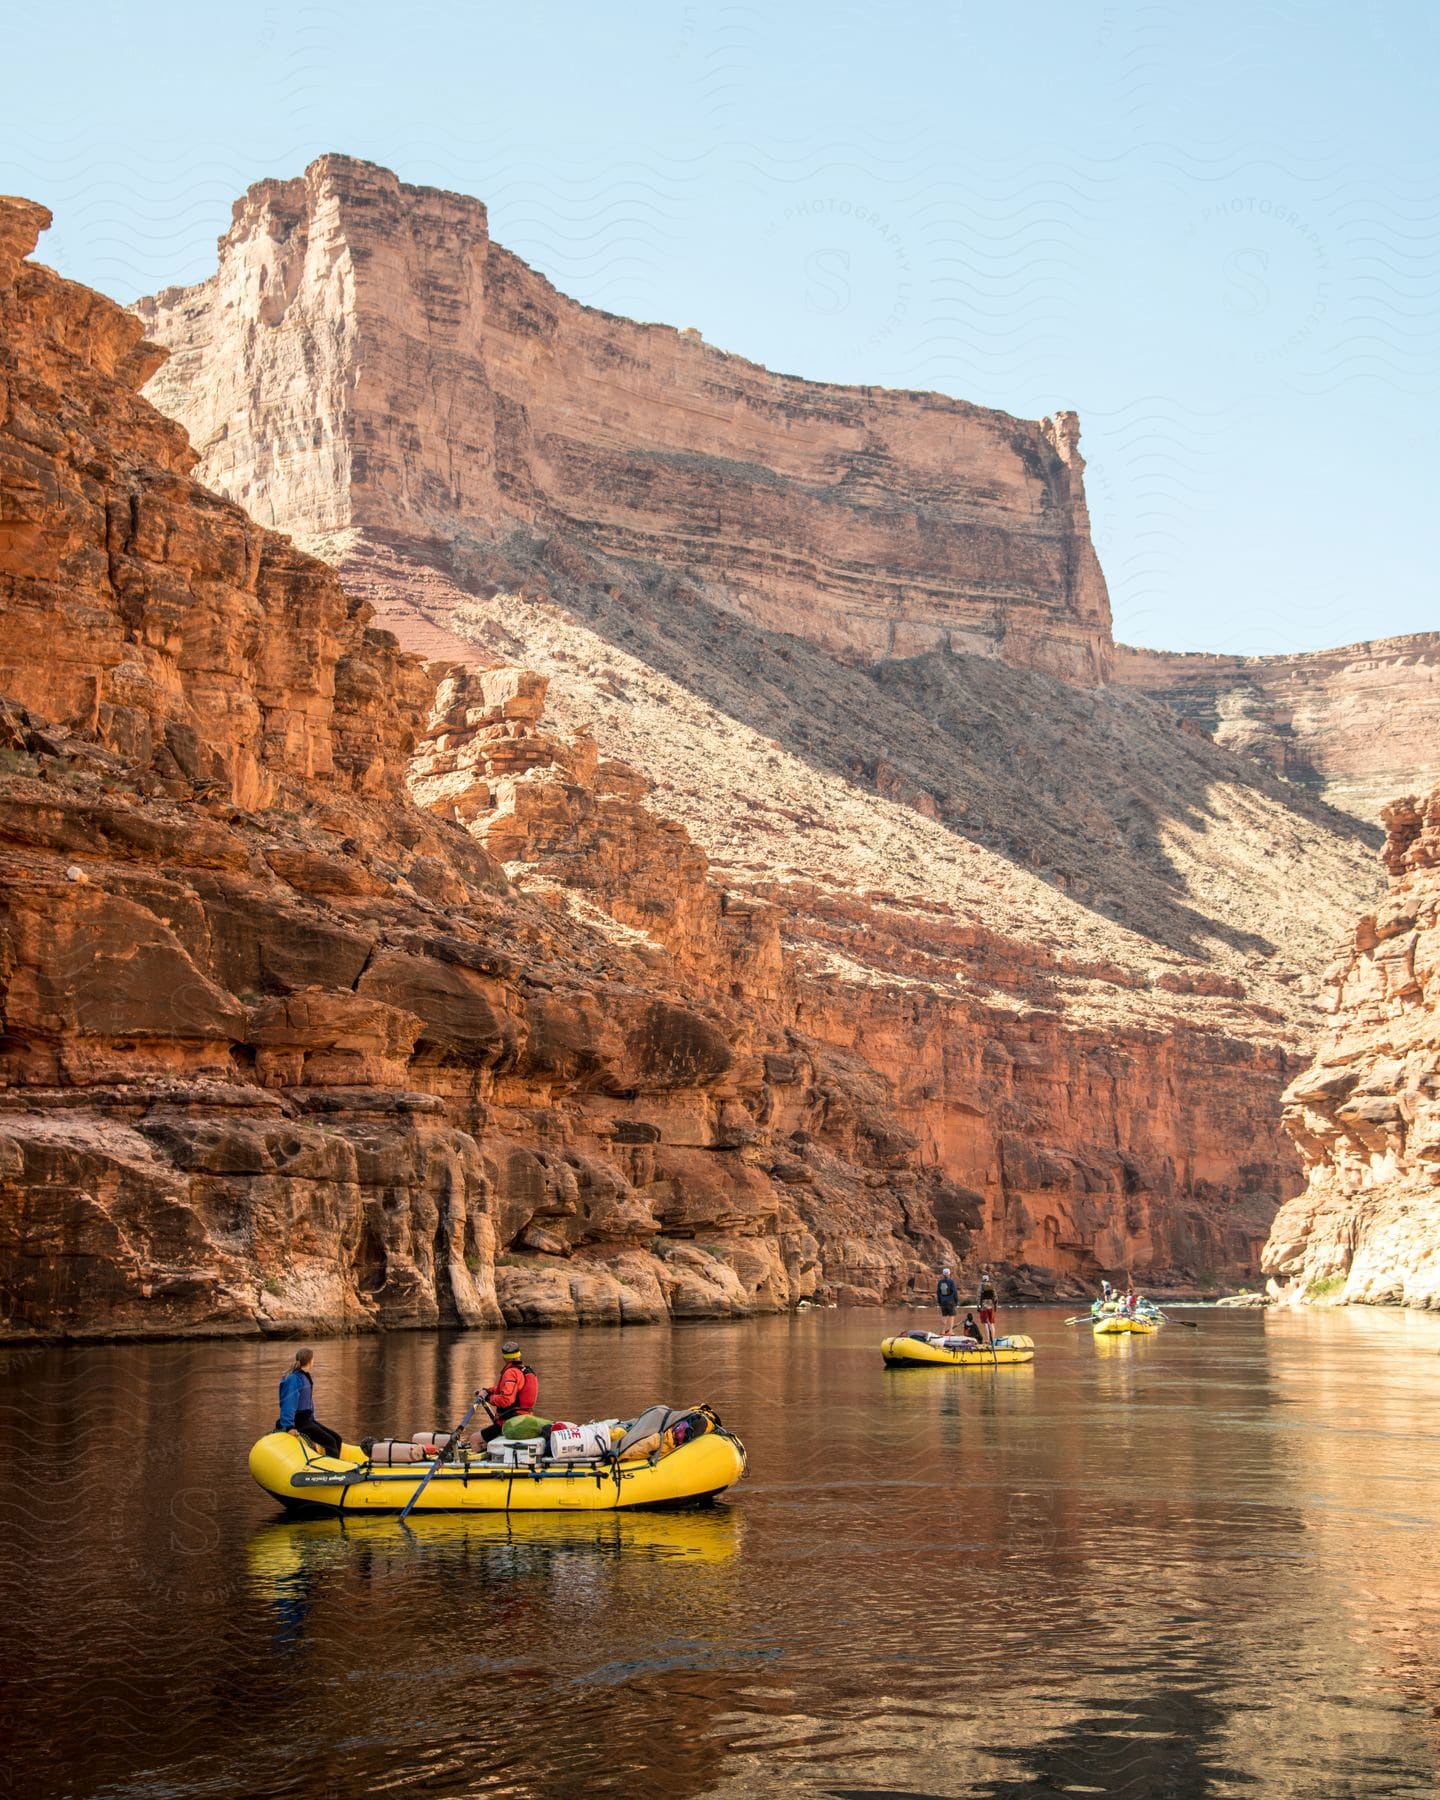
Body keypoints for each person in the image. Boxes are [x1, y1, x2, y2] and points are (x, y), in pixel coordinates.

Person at [277, 1347, 343, 1458]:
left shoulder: (304, 1376)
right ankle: (332, 1472)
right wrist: (289, 1427)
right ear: (310, 1361)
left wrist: (313, 1422)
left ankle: (339, 1466)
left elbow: (308, 1403)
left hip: (307, 1420)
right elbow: (288, 1404)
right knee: (330, 1443)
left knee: (337, 1438)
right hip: (298, 1422)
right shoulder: (294, 1379)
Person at [476, 1341, 539, 1447]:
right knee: (486, 1441)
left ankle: (478, 1461)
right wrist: (489, 1391)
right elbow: (508, 1390)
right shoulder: (526, 1371)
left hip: (510, 1421)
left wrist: (487, 1397)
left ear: (505, 1357)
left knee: (474, 1439)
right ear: (519, 1355)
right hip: (524, 1419)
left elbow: (506, 1400)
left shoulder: (511, 1372)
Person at [977, 1270, 998, 1347]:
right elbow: (995, 1297)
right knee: (992, 1323)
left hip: (984, 1307)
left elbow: (978, 1297)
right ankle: (993, 1339)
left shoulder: (981, 1286)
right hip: (991, 1306)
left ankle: (987, 1340)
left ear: (982, 1279)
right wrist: (995, 1306)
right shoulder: (991, 1285)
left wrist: (978, 1306)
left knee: (986, 1323)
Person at [936, 1266, 959, 1332]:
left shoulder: (940, 1282)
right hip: (951, 1301)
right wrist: (956, 1302)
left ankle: (942, 1331)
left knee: (944, 1316)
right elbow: (954, 1292)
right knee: (952, 1316)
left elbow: (938, 1293)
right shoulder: (951, 1282)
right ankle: (950, 1331)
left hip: (943, 1302)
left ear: (943, 1274)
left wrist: (939, 1302)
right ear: (949, 1274)